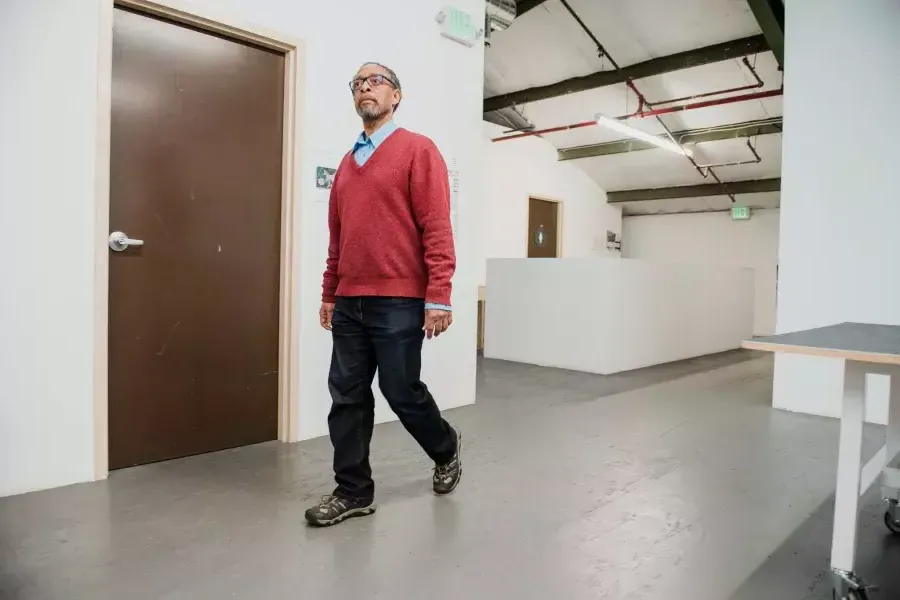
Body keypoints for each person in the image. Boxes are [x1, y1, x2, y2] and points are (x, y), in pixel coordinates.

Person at [304, 62, 462, 527]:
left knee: (401, 390)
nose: (363, 88)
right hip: (350, 301)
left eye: (374, 81)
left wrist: (439, 294)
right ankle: (353, 491)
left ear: (396, 96)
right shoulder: (347, 166)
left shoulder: (418, 150)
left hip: (398, 300)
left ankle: (446, 446)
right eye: (356, 84)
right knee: (347, 396)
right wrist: (329, 292)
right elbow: (338, 237)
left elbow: (436, 226)